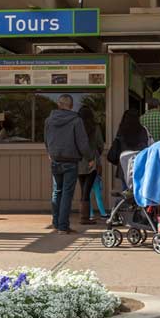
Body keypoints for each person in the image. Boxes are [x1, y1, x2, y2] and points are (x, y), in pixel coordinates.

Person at [44, 93, 92, 234]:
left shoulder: (49, 120)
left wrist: (50, 152)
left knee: (56, 191)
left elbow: (46, 139)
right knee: (66, 193)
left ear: (59, 104)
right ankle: (63, 226)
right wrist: (90, 158)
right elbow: (82, 143)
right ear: (71, 106)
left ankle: (56, 223)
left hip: (55, 159)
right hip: (71, 161)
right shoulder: (76, 120)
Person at [77, 106, 106, 224]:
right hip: (92, 162)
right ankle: (85, 217)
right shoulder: (96, 127)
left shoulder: (77, 127)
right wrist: (96, 155)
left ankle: (87, 215)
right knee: (87, 190)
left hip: (78, 162)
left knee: (83, 189)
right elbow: (100, 145)